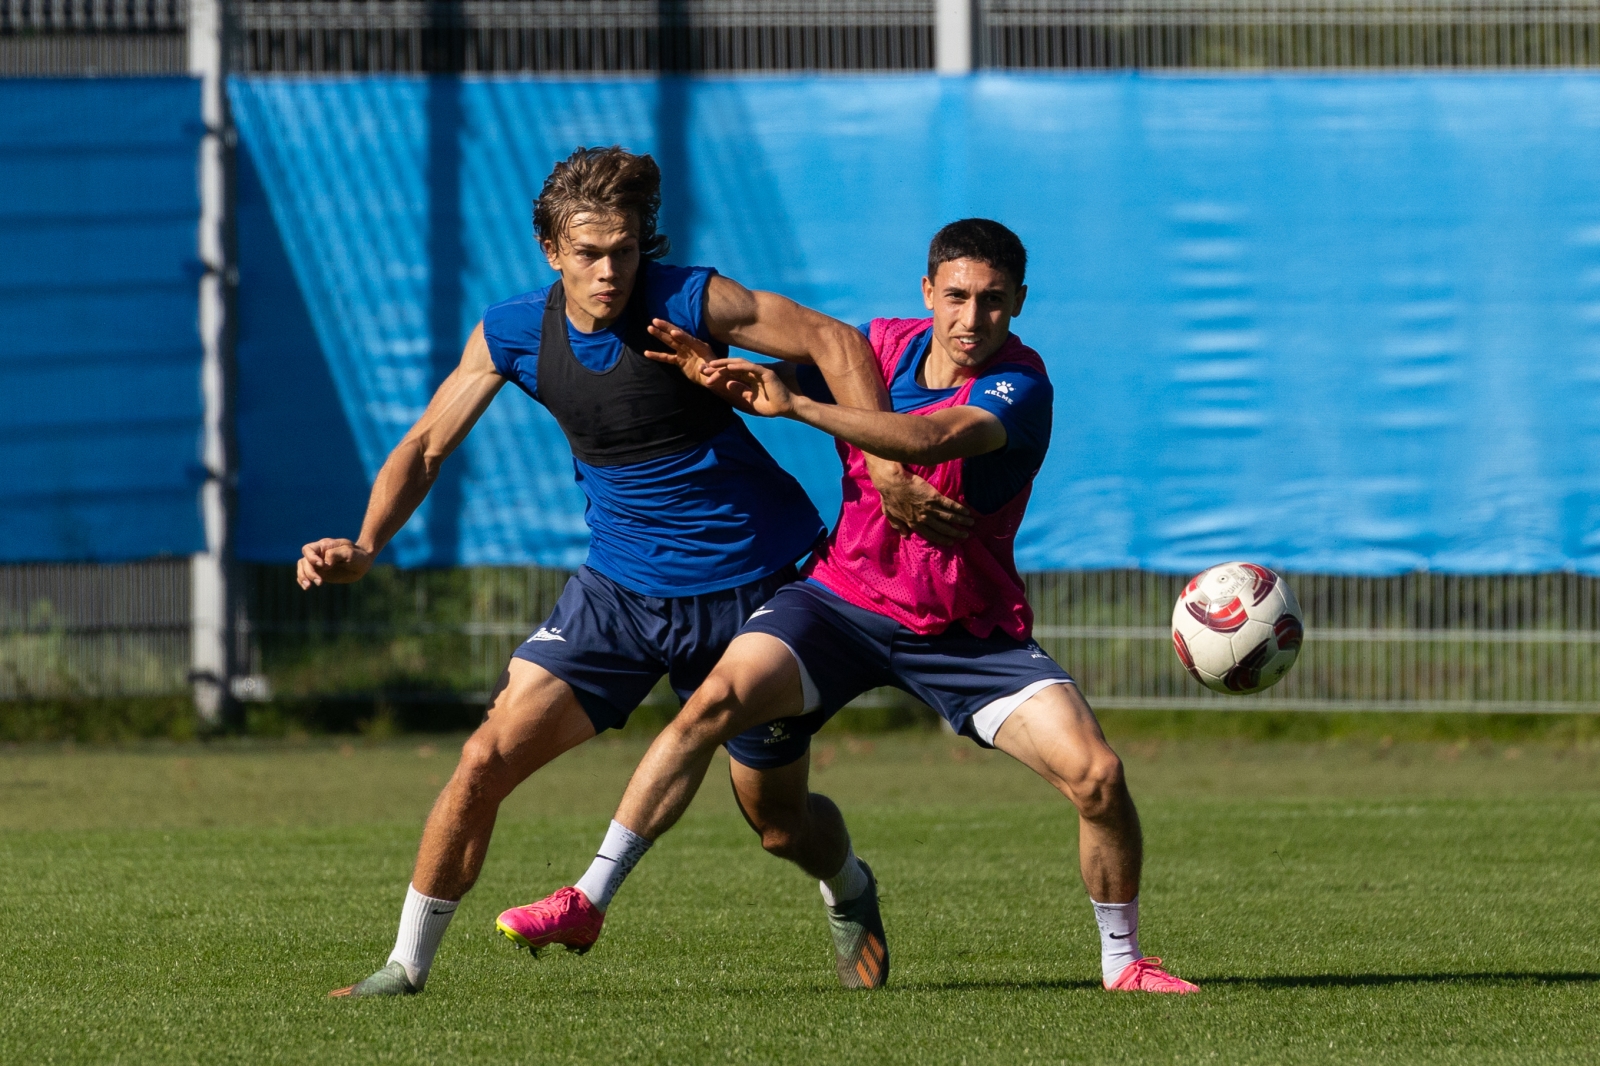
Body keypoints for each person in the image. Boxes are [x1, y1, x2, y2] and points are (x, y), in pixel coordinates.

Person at [306, 146, 971, 997]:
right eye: (589, 253)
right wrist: (365, 545)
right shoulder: (514, 331)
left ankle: (848, 887)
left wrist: (884, 470)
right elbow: (427, 445)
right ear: (553, 250)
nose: (610, 270)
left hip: (755, 586)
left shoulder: (689, 299)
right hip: (617, 593)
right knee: (484, 756)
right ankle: (404, 967)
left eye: (625, 249)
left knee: (776, 825)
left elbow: (834, 341)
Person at [499, 219, 1199, 994]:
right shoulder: (883, 348)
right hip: (838, 603)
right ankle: (590, 900)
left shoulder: (1021, 385)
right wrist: (715, 375)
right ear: (927, 292)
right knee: (743, 768)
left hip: (964, 630)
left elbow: (926, 438)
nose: (973, 320)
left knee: (1098, 775)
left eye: (994, 302)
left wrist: (794, 407)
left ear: (1019, 304)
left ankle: (1123, 962)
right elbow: (763, 374)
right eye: (958, 297)